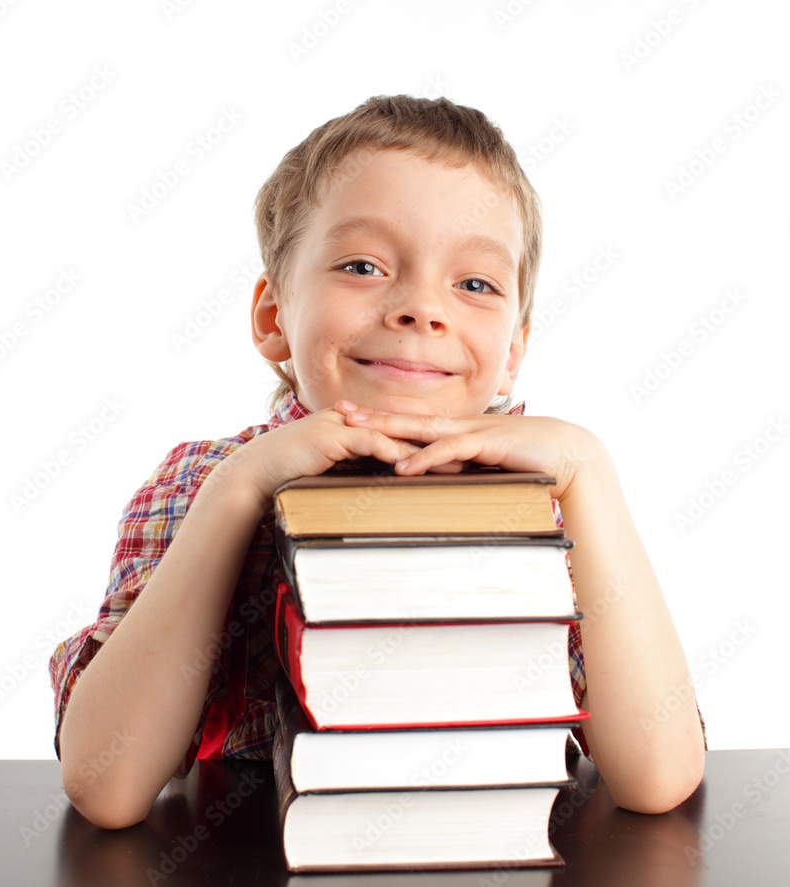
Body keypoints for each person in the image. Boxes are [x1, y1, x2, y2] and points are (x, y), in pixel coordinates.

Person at [49, 94, 706, 830]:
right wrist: (239, 492)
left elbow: (659, 777)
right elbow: (106, 787)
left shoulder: (550, 498)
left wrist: (590, 467)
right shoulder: (199, 484)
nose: (422, 309)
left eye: (475, 283)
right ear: (274, 319)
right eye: (363, 265)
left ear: (513, 353)